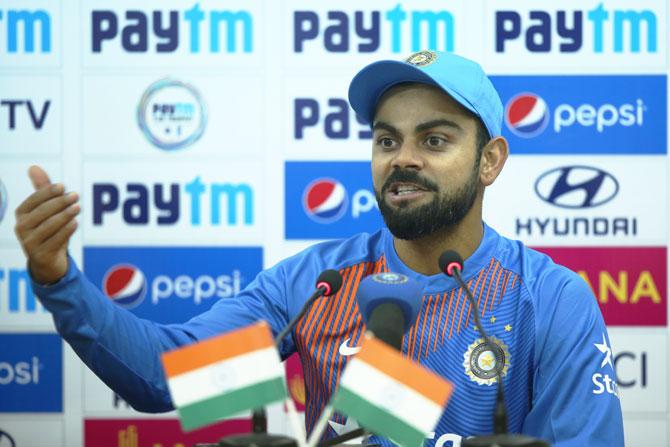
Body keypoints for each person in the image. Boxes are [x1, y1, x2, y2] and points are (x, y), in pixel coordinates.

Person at [14, 51, 624, 446]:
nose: (403, 159)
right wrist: (60, 278)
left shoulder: (549, 298)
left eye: (434, 140)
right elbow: (164, 380)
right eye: (387, 140)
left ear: (490, 161)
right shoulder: (318, 284)